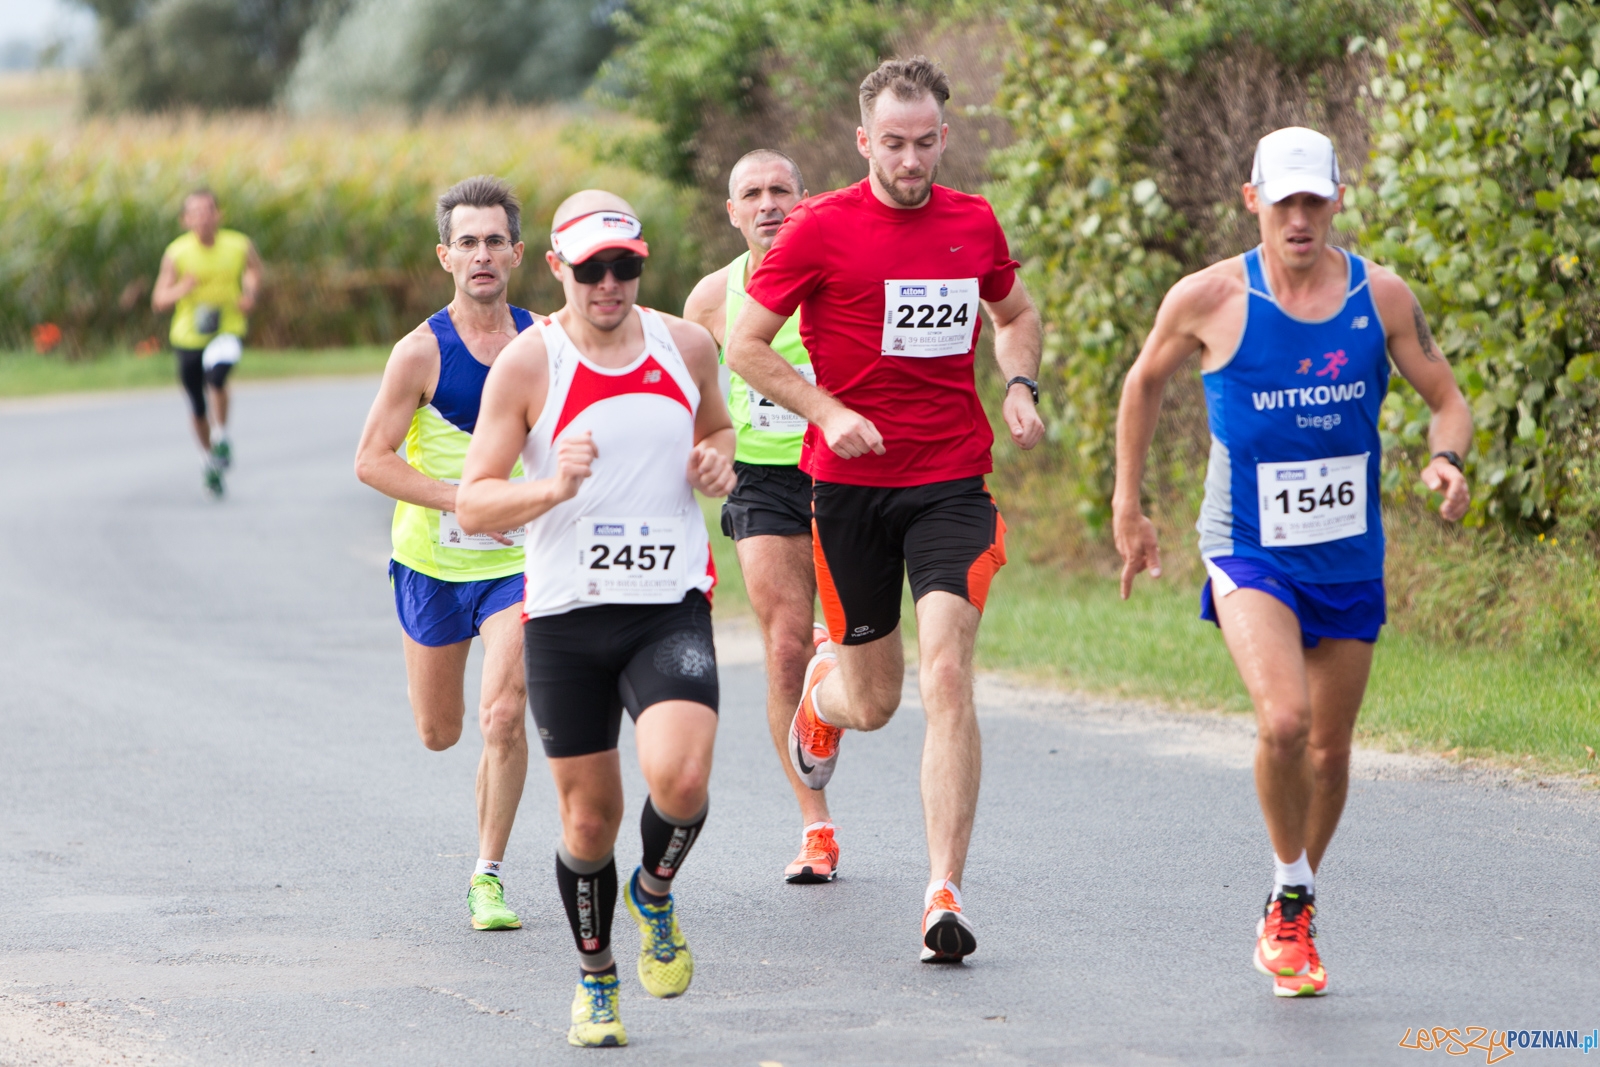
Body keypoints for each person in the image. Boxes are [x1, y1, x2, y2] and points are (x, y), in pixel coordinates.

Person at [1112, 127, 1472, 997]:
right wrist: (1129, 504)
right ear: (1253, 202)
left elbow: (1447, 397)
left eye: (1315, 201)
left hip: (1348, 549)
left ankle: (1295, 896)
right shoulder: (1210, 297)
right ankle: (1290, 887)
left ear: (1337, 200)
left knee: (1331, 751)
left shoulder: (1380, 296)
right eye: (1285, 203)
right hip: (1246, 541)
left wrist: (1447, 460)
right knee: (1284, 722)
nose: (1300, 218)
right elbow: (1144, 381)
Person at [726, 57, 1045, 963]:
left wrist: (1018, 383)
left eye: (926, 143)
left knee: (947, 671)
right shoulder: (820, 227)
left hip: (951, 480)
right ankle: (823, 700)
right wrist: (827, 411)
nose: (911, 161)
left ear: (946, 136)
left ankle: (943, 890)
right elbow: (746, 346)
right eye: (893, 145)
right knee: (874, 700)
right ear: (865, 142)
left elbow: (1015, 312)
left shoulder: (971, 221)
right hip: (851, 487)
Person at [456, 189, 736, 1047]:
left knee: (682, 782)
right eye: (590, 270)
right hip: (569, 620)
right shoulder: (530, 366)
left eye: (625, 267)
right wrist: (552, 486)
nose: (608, 284)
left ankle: (654, 890)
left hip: (668, 607)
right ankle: (597, 977)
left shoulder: (684, 345)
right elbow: (473, 502)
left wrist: (716, 461)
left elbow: (719, 429)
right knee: (587, 822)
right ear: (557, 269)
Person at [353, 175, 536, 935]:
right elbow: (371, 459)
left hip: (519, 566)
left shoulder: (545, 343)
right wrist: (461, 500)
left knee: (503, 714)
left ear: (518, 253)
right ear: (445, 255)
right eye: (468, 241)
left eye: (495, 239)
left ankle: (487, 873)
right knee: (442, 730)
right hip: (434, 564)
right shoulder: (419, 353)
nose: (482, 253)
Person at [682, 149, 839, 884]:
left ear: (805, 199)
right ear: (733, 211)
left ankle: (827, 668)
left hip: (845, 470)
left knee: (856, 651)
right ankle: (815, 826)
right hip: (762, 478)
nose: (769, 203)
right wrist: (699, 459)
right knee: (781, 647)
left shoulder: (843, 271)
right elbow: (691, 402)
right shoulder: (711, 299)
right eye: (753, 193)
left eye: (782, 189)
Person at [151, 188, 264, 497]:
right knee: (197, 405)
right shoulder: (177, 253)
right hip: (188, 335)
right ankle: (207, 462)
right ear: (185, 219)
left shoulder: (238, 245)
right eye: (195, 212)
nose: (202, 218)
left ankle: (222, 435)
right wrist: (182, 288)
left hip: (226, 327)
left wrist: (250, 294)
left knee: (217, 374)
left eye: (207, 210)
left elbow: (255, 271)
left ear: (219, 214)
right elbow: (159, 299)